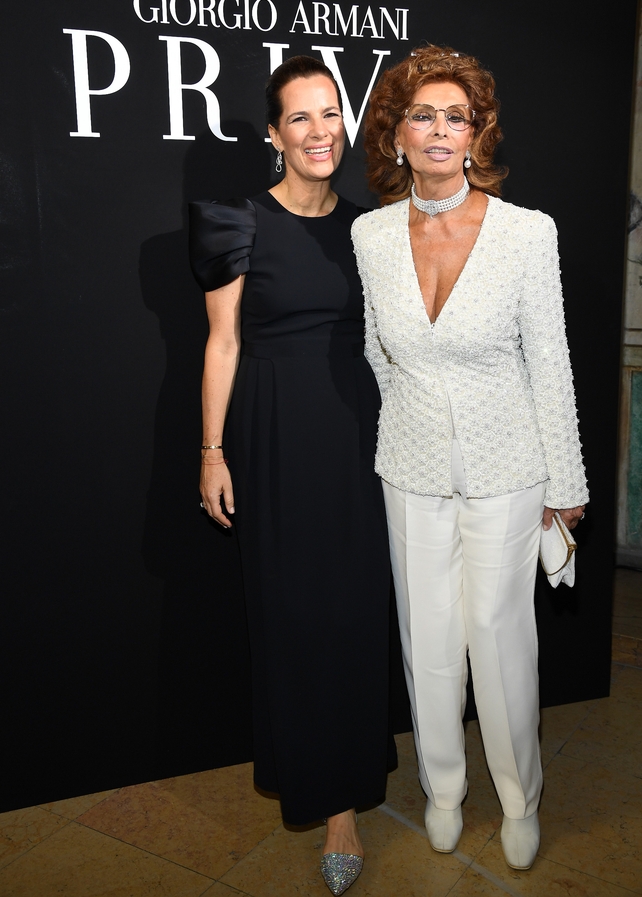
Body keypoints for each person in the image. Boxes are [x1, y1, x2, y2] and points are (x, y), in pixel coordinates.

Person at [351, 44, 588, 872]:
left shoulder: (527, 232)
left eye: (458, 116)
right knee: (427, 638)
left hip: (509, 464)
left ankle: (520, 794)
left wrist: (566, 484)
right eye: (424, 115)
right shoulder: (371, 234)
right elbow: (381, 357)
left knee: (499, 636)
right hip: (409, 464)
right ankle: (443, 788)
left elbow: (549, 360)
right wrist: (410, 425)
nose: (441, 130)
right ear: (396, 135)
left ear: (478, 132)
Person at [189, 55, 395, 896]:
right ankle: (308, 777)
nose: (319, 131)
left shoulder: (372, 226)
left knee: (352, 612)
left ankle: (344, 806)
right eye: (299, 118)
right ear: (274, 134)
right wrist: (211, 449)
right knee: (292, 613)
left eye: (330, 114)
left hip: (358, 437)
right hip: (271, 438)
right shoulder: (234, 219)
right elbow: (222, 342)